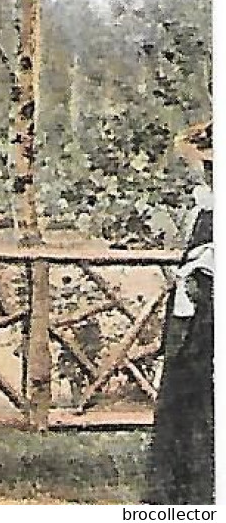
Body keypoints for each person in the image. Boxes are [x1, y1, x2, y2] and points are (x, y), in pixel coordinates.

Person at [146, 120, 214, 504]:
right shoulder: (203, 206)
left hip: (206, 322)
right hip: (191, 323)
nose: (206, 173)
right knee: (182, 410)